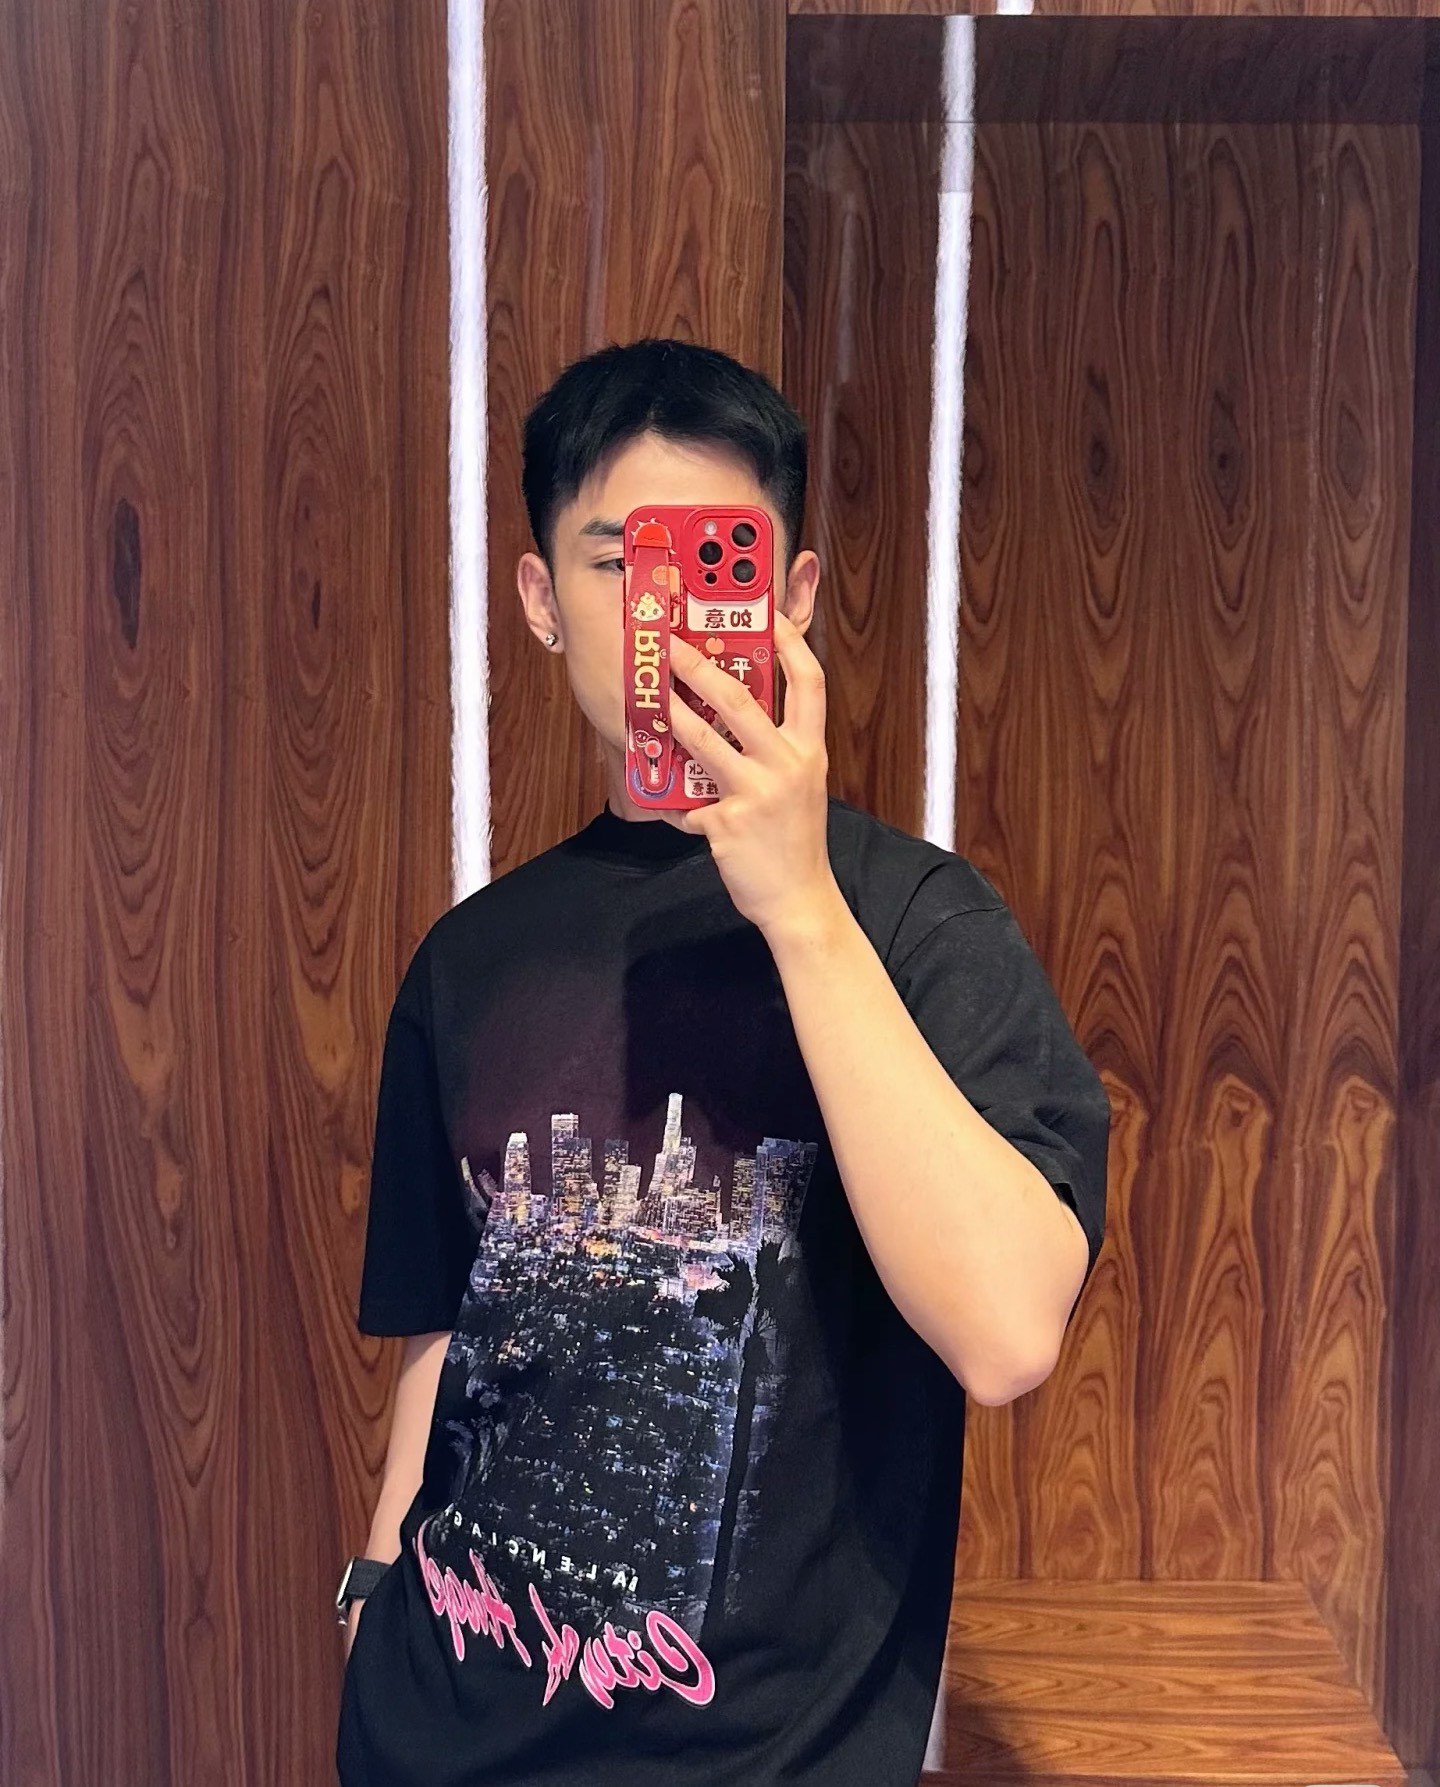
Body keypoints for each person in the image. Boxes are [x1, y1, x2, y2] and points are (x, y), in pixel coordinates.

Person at [335, 337, 1110, 1787]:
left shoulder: (916, 922)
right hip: (431, 1738)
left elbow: (1008, 1332)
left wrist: (798, 904)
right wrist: (373, 1599)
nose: (668, 616)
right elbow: (450, 1334)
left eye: (716, 564)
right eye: (617, 561)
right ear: (540, 601)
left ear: (793, 597)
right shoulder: (468, 959)